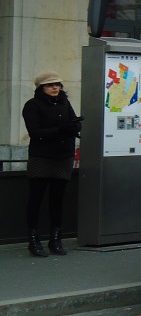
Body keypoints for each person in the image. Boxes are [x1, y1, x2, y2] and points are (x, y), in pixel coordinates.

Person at [23, 71, 82, 257]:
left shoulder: (64, 102)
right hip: (42, 157)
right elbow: (35, 132)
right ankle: (34, 240)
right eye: (50, 85)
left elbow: (73, 122)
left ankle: (55, 239)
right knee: (36, 199)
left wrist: (75, 126)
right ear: (41, 88)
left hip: (63, 157)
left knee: (57, 200)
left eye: (57, 84)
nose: (55, 87)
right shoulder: (32, 105)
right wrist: (62, 130)